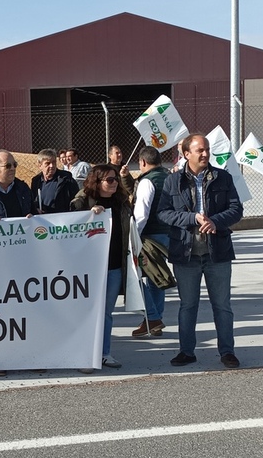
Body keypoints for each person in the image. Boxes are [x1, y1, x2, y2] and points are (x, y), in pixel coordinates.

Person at [158, 133, 244, 368]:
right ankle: (187, 351)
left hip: (218, 253)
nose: (205, 154)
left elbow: (237, 210)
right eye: (200, 150)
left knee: (222, 306)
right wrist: (191, 217)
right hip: (186, 254)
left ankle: (227, 351)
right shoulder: (172, 181)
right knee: (188, 306)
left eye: (207, 149)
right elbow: (163, 212)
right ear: (187, 154)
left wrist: (215, 221)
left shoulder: (222, 177)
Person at [71, 164, 133, 371]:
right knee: (87, 312)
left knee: (106, 312)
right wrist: (88, 214)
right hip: (89, 268)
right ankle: (85, 355)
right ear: (97, 182)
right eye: (109, 180)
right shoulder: (82, 200)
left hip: (114, 266)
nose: (114, 183)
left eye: (115, 179)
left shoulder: (121, 202)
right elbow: (71, 222)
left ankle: (104, 353)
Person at [131, 146, 170, 337]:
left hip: (150, 236)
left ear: (143, 162)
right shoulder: (170, 176)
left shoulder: (147, 181)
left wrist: (133, 238)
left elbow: (141, 215)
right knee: (156, 278)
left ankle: (153, 317)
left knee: (133, 277)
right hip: (169, 234)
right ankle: (154, 321)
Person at [30, 148, 79, 214]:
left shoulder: (66, 180)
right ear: (40, 165)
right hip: (42, 221)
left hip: (62, 220)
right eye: (47, 163)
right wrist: (35, 210)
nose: (52, 166)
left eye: (54, 162)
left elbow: (77, 201)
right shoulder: (36, 181)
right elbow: (33, 202)